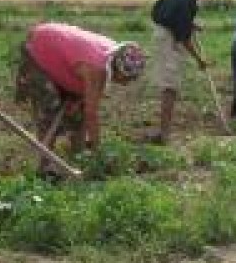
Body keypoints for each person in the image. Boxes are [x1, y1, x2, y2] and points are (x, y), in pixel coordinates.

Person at [15, 22, 146, 175]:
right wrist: (98, 153)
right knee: (49, 109)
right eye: (125, 79)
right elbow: (92, 114)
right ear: (117, 70)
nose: (126, 84)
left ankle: (78, 157)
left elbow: (85, 101)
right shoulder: (97, 69)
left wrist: (77, 100)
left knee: (78, 112)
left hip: (61, 52)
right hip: (40, 47)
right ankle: (45, 166)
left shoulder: (112, 55)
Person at [148, 0, 213, 143]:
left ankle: (164, 131)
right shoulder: (187, 1)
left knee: (171, 86)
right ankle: (164, 133)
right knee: (170, 87)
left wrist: (191, 25)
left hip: (163, 35)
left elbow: (170, 16)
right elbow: (184, 39)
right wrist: (200, 59)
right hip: (168, 41)